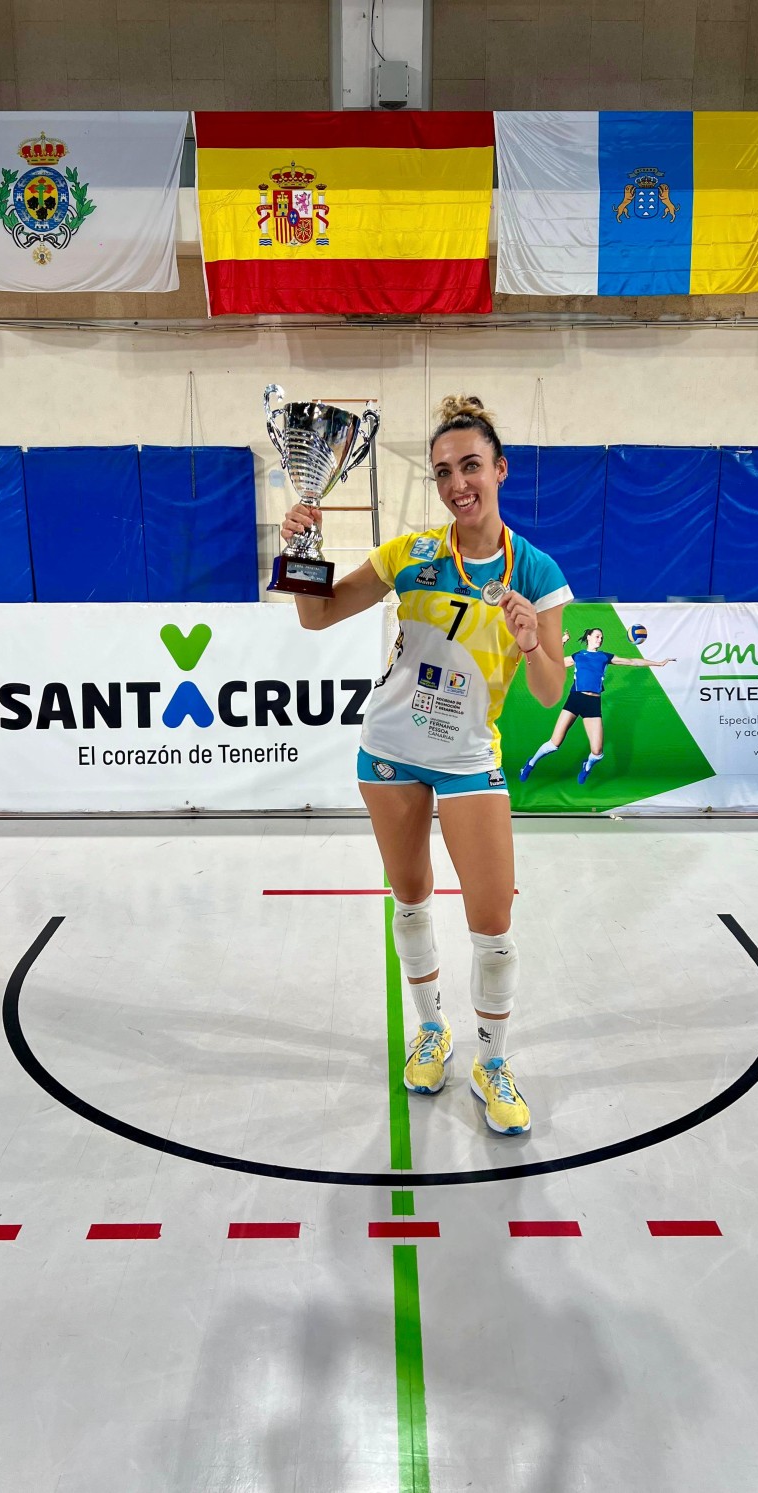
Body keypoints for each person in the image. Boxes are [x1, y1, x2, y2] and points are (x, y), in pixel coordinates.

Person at [280, 396, 570, 1135]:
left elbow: (548, 689)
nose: (457, 483)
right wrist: (305, 553)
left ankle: (493, 1059)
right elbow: (317, 617)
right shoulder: (410, 555)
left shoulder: (535, 569)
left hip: (470, 756)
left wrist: (534, 638)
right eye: (443, 471)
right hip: (391, 751)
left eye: (471, 466)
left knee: (493, 919)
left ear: (500, 469)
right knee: (410, 897)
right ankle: (432, 1028)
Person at [519, 626, 674, 786]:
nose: (600, 639)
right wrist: (562, 642)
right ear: (589, 637)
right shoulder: (578, 656)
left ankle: (587, 765)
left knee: (598, 753)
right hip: (575, 699)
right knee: (554, 743)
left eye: (602, 637)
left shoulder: (605, 657)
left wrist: (658, 664)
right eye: (597, 636)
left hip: (593, 704)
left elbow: (631, 661)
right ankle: (530, 764)